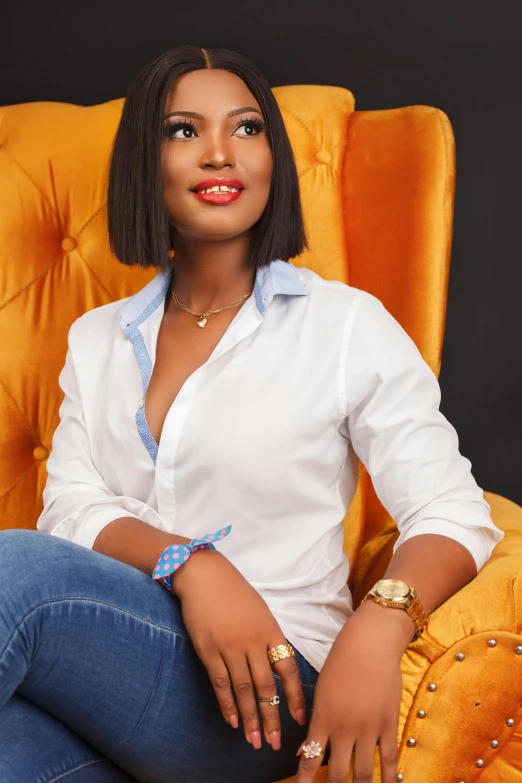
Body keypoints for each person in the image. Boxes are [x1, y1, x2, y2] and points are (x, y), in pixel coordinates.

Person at [0, 44, 504, 783]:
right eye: (182, 130)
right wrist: (189, 563)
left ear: (273, 157)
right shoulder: (99, 337)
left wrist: (379, 624)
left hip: (270, 687)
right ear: (145, 158)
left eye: (245, 128)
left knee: (15, 570)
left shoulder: (342, 325)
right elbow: (71, 505)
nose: (217, 154)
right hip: (120, 678)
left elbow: (453, 511)